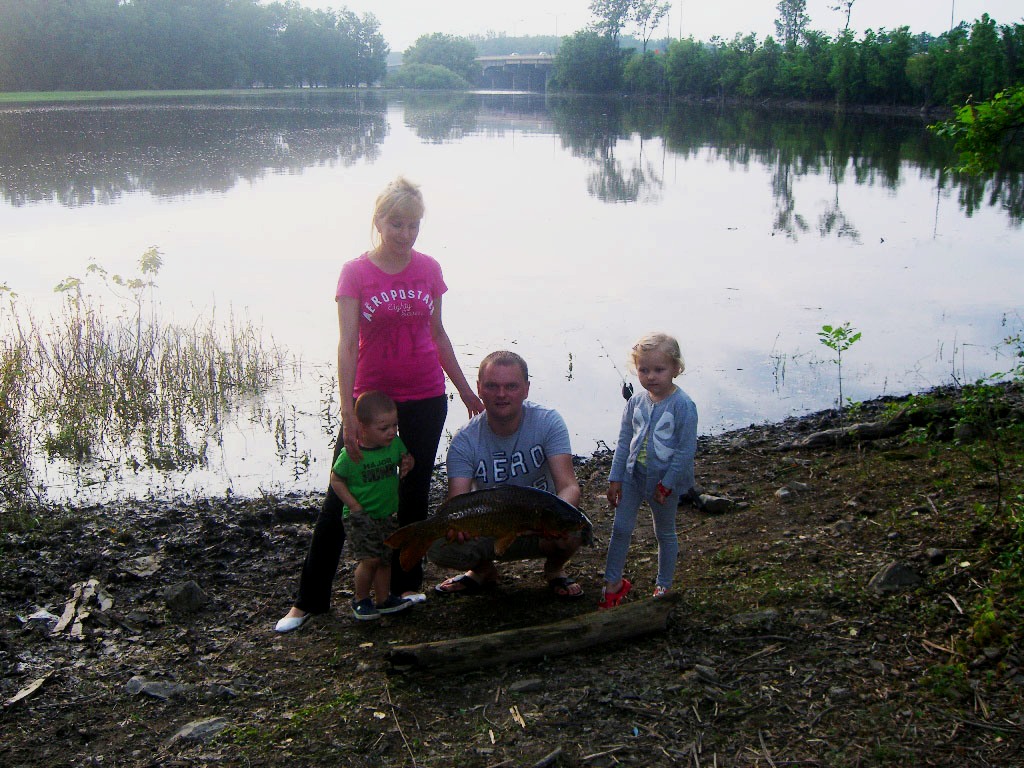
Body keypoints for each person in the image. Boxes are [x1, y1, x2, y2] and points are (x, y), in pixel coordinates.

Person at [275, 176, 483, 633]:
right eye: (396, 224)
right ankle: (309, 600)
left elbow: (439, 335)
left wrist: (466, 391)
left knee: (411, 496)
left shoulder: (429, 269)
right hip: (372, 404)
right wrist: (348, 411)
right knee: (342, 499)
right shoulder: (356, 272)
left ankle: (405, 587)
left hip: (426, 396)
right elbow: (347, 344)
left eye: (413, 225)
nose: (405, 234)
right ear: (378, 221)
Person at [429, 350, 585, 598]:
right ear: (479, 388)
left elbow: (569, 486)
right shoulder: (464, 440)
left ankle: (555, 571)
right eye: (492, 386)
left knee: (576, 527)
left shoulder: (548, 422)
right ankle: (481, 571)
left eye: (511, 386)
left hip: (537, 524)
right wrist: (457, 526)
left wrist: (554, 516)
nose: (502, 394)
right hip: (489, 526)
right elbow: (456, 500)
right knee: (439, 547)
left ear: (526, 389)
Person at [599, 332, 698, 609]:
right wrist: (615, 477)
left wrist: (667, 484)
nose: (651, 376)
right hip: (633, 476)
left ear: (676, 369)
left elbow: (685, 450)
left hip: (664, 482)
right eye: (644, 370)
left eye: (659, 369)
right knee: (620, 528)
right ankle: (612, 584)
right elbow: (623, 441)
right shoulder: (636, 402)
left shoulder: (683, 406)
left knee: (664, 533)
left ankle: (663, 585)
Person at [330, 390, 415, 621]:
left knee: (385, 558)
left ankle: (383, 599)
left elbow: (405, 458)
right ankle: (360, 600)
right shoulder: (352, 455)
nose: (392, 432)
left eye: (394, 425)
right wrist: (353, 505)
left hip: (387, 513)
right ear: (363, 427)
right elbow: (336, 479)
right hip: (361, 516)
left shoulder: (394, 444)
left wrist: (407, 462)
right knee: (369, 559)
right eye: (384, 428)